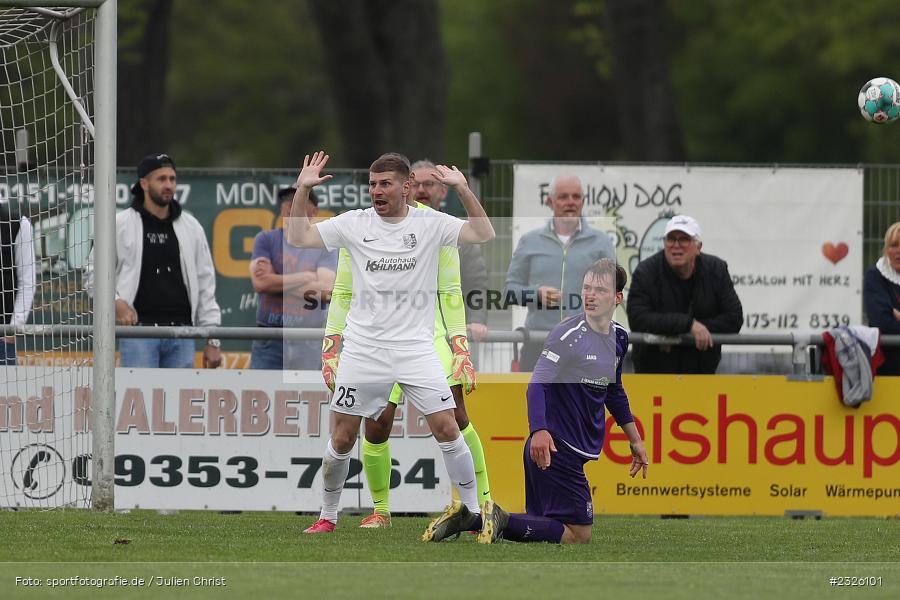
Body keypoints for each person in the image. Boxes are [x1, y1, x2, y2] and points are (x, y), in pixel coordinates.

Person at [287, 151, 495, 537]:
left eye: (385, 184)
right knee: (343, 436)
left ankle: (474, 513)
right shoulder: (354, 223)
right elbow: (297, 236)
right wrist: (303, 189)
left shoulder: (431, 224)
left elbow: (484, 234)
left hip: (416, 350)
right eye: (372, 184)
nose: (377, 191)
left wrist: (464, 189)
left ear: (406, 187)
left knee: (449, 427)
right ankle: (328, 515)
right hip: (364, 350)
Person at [430, 258, 649, 544]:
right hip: (556, 447)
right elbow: (536, 385)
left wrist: (635, 440)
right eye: (587, 288)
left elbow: (614, 390)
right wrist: (540, 431)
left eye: (600, 290)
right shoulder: (567, 335)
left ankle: (472, 519)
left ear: (618, 297)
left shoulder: (620, 337)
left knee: (543, 527)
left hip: (565, 447)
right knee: (578, 535)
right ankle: (495, 516)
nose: (591, 295)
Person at [86, 153, 222, 368]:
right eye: (161, 179)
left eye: (172, 179)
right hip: (139, 333)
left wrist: (212, 339)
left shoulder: (192, 227)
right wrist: (115, 302)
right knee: (137, 400)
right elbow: (94, 272)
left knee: (179, 400)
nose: (168, 185)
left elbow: (206, 284)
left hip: (183, 333)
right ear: (144, 183)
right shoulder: (119, 224)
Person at [504, 173, 616, 371]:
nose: (570, 202)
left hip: (586, 342)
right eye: (563, 197)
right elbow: (509, 291)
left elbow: (612, 294)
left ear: (583, 201)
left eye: (576, 196)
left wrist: (582, 319)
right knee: (536, 402)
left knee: (581, 403)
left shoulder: (601, 242)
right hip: (539, 343)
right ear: (550, 202)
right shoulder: (529, 241)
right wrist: (536, 294)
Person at [626, 214, 743, 374]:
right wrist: (688, 326)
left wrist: (678, 332)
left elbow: (734, 318)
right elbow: (637, 318)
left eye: (684, 239)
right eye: (671, 239)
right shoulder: (646, 271)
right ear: (664, 243)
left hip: (700, 373)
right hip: (654, 374)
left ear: (698, 247)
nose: (676, 245)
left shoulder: (716, 269)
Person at [249, 186, 337, 370]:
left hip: (308, 339)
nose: (291, 206)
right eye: (288, 201)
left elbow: (325, 291)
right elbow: (261, 283)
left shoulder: (324, 245)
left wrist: (277, 281)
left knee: (306, 398)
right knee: (261, 395)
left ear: (314, 211)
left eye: (300, 200)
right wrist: (306, 276)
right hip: (269, 338)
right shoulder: (266, 239)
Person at [410, 159, 489, 343]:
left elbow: (476, 283)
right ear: (406, 189)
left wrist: (476, 320)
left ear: (443, 191)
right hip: (405, 330)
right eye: (415, 185)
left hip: (449, 333)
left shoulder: (458, 231)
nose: (421, 190)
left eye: (429, 184)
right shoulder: (390, 230)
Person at [0, 205, 36, 365]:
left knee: (4, 390)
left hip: (2, 336)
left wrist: (13, 327)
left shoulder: (17, 223)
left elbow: (27, 282)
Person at [863, 221, 900, 375]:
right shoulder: (875, 277)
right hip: (888, 369)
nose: (899, 251)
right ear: (886, 249)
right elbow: (882, 324)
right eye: (893, 245)